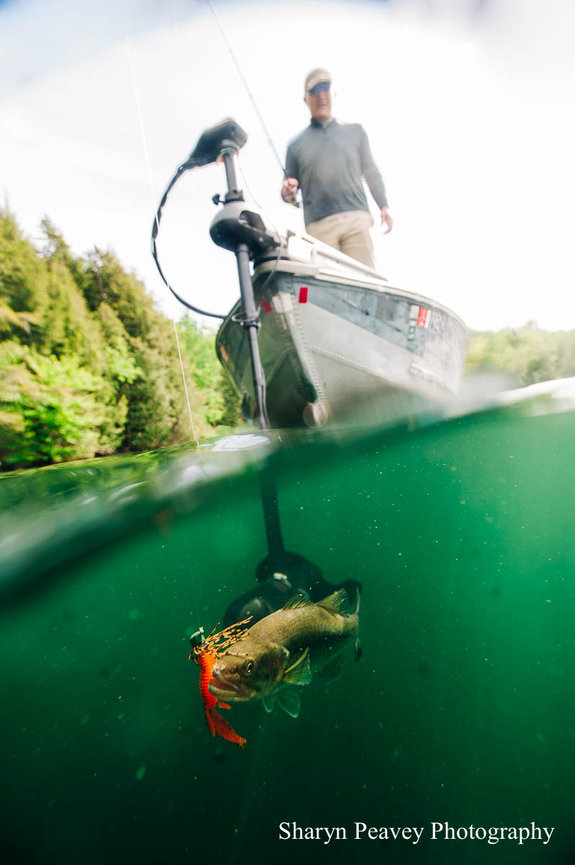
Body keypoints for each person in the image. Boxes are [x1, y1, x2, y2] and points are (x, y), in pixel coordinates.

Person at [281, 68, 393, 269]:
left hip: (356, 219)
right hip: (319, 228)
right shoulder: (295, 146)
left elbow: (371, 173)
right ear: (305, 99)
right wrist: (288, 192)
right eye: (314, 90)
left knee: (365, 282)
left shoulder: (356, 132)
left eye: (325, 88)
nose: (321, 95)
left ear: (333, 93)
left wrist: (384, 206)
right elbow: (289, 192)